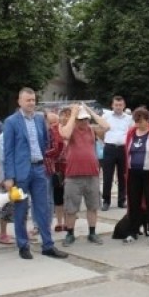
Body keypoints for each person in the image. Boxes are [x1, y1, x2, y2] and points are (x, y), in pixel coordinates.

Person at [3, 87, 67, 260]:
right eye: (27, 100)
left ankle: (48, 245)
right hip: (21, 172)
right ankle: (23, 245)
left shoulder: (40, 120)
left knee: (43, 209)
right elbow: (7, 151)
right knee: (21, 210)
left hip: (39, 170)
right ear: (19, 101)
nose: (31, 103)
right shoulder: (11, 122)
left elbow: (45, 142)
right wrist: (9, 176)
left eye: (33, 100)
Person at [59, 104, 109, 247]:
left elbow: (106, 126)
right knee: (71, 208)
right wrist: (74, 114)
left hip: (92, 175)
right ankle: (70, 233)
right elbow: (65, 135)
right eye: (81, 119)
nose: (84, 122)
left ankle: (92, 233)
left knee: (93, 206)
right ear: (76, 120)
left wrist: (90, 112)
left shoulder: (92, 130)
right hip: (73, 176)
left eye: (86, 119)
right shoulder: (70, 129)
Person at [123, 107, 149, 244]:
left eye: (140, 121)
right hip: (133, 172)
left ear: (147, 120)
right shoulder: (131, 133)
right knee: (133, 201)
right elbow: (127, 152)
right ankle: (132, 231)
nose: (138, 124)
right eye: (136, 121)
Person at [101, 96, 134, 211]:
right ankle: (106, 200)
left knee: (123, 176)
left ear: (124, 106)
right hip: (109, 148)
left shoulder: (129, 119)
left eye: (120, 105)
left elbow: (132, 133)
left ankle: (122, 200)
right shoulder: (106, 116)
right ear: (112, 105)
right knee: (107, 176)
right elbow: (100, 130)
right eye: (116, 105)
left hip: (123, 149)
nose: (118, 107)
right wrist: (104, 142)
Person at [45, 109, 67, 232]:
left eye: (55, 122)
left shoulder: (63, 131)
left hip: (65, 167)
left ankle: (66, 222)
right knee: (58, 196)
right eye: (51, 123)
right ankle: (59, 222)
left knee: (65, 196)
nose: (53, 126)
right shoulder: (49, 132)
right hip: (56, 168)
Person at [0, 132, 15, 245]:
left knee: (22, 203)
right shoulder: (2, 138)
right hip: (6, 176)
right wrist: (5, 178)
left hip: (20, 174)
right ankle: (2, 234)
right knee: (5, 206)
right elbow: (3, 158)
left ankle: (21, 231)